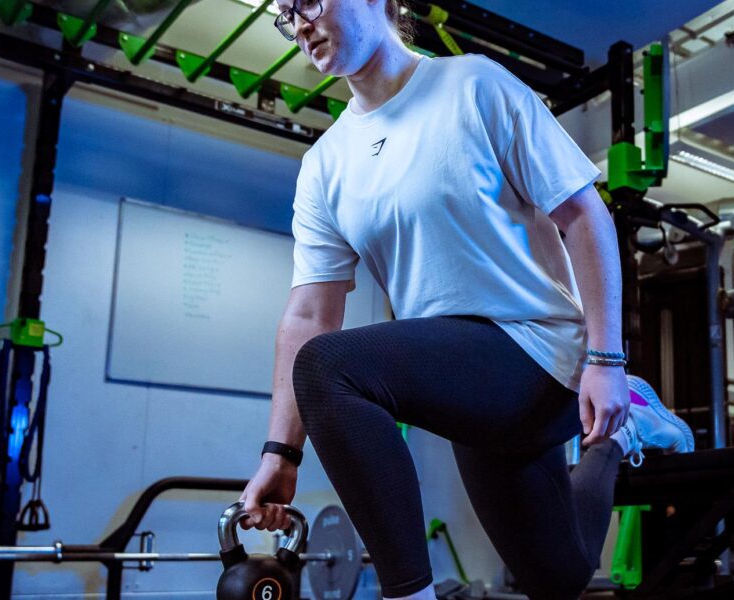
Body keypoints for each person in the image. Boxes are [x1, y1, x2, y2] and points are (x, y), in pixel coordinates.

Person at [238, 1, 694, 598]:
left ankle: (407, 593)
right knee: (557, 576)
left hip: (539, 351)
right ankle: (618, 436)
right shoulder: (326, 165)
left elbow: (585, 216)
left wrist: (607, 360)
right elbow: (308, 313)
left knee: (330, 368)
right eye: (284, 13)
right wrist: (281, 452)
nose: (299, 21)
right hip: (467, 383)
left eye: (311, 1)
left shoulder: (473, 85)